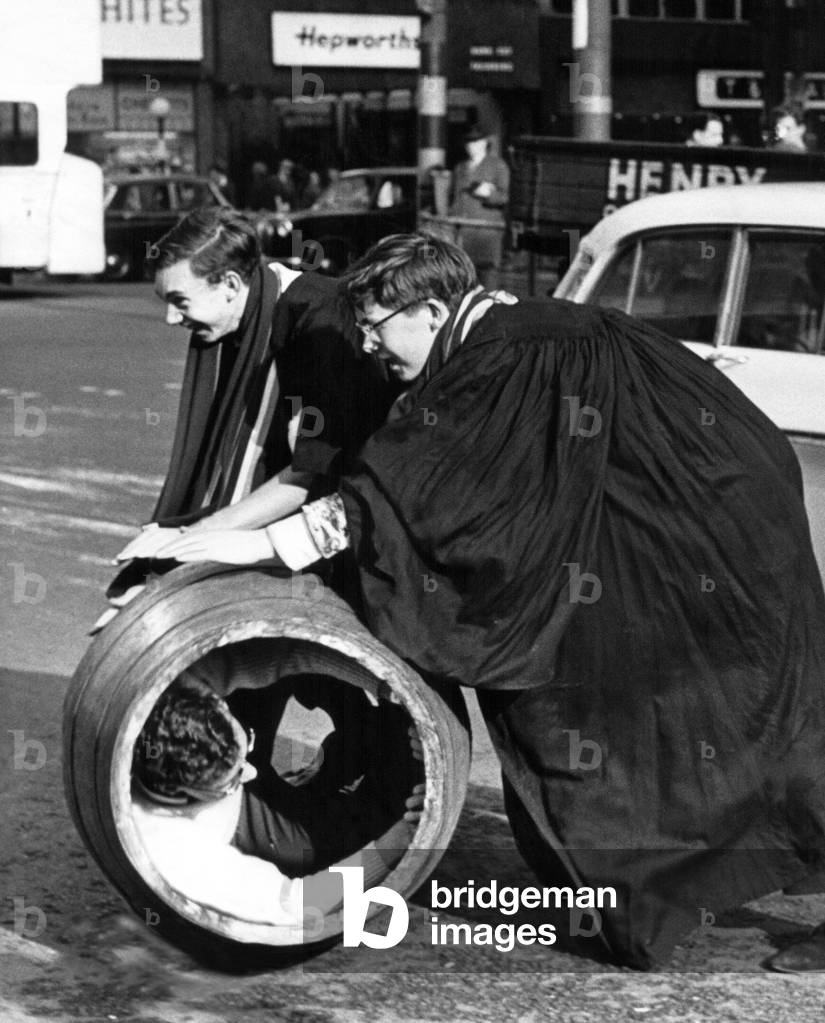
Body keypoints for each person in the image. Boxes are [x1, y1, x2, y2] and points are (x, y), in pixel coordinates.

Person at [152, 233, 825, 971]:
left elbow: (421, 494)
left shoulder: (504, 358)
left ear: (431, 309)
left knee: (749, 723)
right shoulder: (503, 339)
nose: (371, 351)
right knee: (641, 716)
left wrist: (260, 544)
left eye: (375, 331)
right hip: (683, 523)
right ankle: (641, 889)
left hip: (707, 538)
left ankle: (673, 884)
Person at [98, 206, 396, 623]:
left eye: (179, 301)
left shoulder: (319, 327)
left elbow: (310, 475)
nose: (170, 318)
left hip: (373, 529)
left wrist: (195, 537)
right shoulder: (256, 310)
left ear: (231, 284)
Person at [132, 674, 423, 927]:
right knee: (351, 827)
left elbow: (278, 655)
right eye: (234, 777)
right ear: (187, 795)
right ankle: (388, 752)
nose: (252, 771)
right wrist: (398, 841)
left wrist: (389, 687)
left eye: (244, 741)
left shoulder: (181, 690)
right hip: (250, 828)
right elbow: (297, 904)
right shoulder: (178, 851)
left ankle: (367, 735)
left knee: (265, 673)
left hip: (213, 761)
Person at [448, 126, 510, 289]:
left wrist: (488, 194)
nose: (471, 146)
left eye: (475, 142)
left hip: (486, 233)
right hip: (463, 232)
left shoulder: (498, 166)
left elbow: (504, 198)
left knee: (488, 283)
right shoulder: (460, 168)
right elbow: (454, 199)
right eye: (468, 142)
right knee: (464, 282)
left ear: (484, 143)